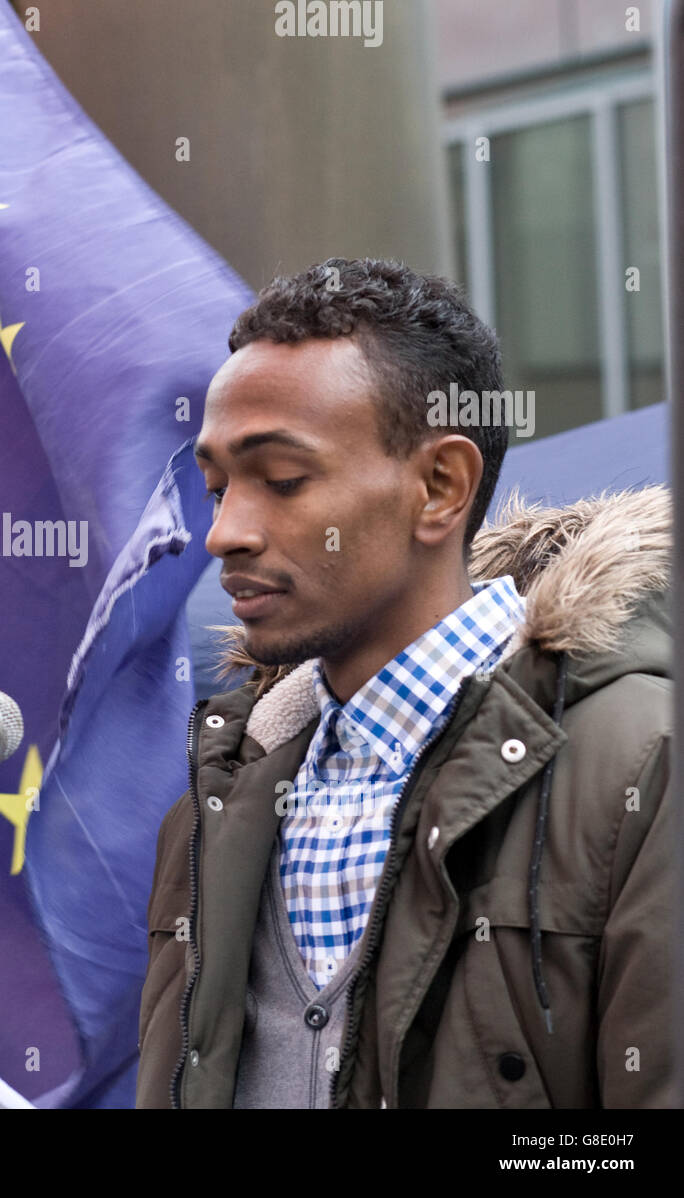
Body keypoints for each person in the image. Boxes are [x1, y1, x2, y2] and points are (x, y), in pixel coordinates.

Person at [136, 257, 675, 1108]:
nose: (225, 532)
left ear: (439, 487)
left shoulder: (646, 763)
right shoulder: (215, 801)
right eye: (215, 487)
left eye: (280, 480)